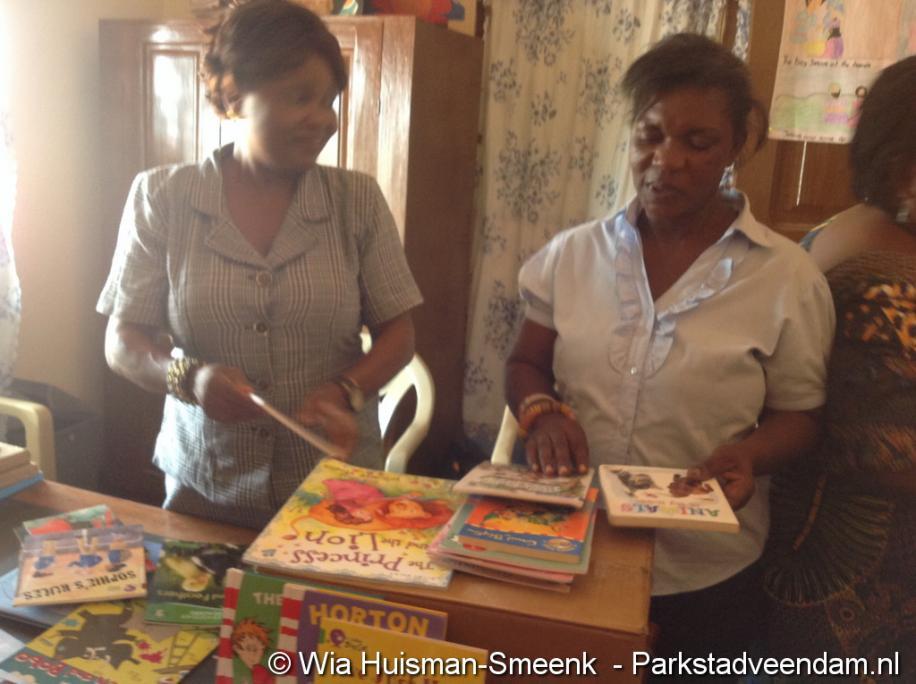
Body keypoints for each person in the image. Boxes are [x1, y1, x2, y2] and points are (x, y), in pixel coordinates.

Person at [504, 33, 835, 666]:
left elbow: (802, 417)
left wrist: (750, 455)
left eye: (698, 142)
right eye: (650, 136)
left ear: (736, 145)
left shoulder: (785, 277)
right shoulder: (572, 256)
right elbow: (526, 364)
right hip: (569, 546)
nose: (667, 160)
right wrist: (541, 413)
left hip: (704, 573)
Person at [97, 0, 422, 529]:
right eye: (301, 97)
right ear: (234, 95)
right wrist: (188, 378)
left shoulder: (355, 201)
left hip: (333, 493)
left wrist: (345, 389)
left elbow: (399, 335)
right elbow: (123, 341)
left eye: (329, 100)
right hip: (206, 488)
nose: (324, 119)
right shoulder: (163, 198)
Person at [763, 55, 916, 677]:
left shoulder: (846, 230)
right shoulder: (884, 281)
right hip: (859, 587)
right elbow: (885, 448)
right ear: (905, 168)